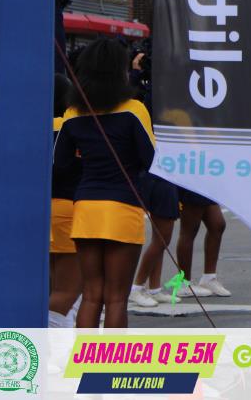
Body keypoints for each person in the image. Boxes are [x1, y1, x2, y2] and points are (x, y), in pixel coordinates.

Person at [54, 38, 154, 327]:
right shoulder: (134, 109)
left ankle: (84, 356)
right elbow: (151, 160)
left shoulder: (73, 113)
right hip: (123, 207)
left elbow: (61, 163)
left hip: (85, 208)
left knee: (90, 295)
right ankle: (112, 358)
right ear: (120, 71)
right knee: (116, 298)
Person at [50, 74, 82, 327]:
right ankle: (49, 346)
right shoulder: (73, 126)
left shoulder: (27, 125)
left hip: (40, 210)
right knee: (67, 292)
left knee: (51, 287)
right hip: (69, 210)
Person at [128, 174, 180, 307]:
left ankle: (154, 289)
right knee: (162, 239)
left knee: (160, 239)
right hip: (160, 179)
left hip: (160, 179)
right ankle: (137, 287)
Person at [175, 188, 231, 297]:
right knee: (189, 231)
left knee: (217, 224)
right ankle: (183, 283)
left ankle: (208, 279)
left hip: (205, 183)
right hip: (191, 184)